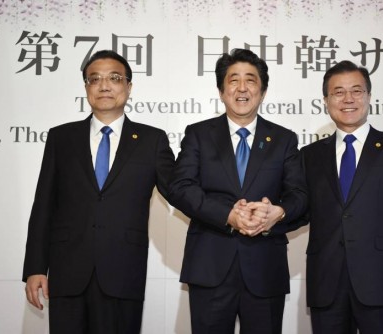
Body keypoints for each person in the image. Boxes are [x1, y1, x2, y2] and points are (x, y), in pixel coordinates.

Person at [22, 50, 175, 334]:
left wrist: (227, 211)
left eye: (115, 78)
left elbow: (180, 192)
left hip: (122, 271)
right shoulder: (61, 138)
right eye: (95, 79)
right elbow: (43, 205)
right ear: (86, 88)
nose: (104, 86)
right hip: (67, 272)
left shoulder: (152, 140)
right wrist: (34, 268)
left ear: (128, 86)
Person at [168, 48, 308, 334]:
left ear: (263, 91)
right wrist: (227, 215)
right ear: (221, 90)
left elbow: (300, 196)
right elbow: (180, 187)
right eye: (233, 80)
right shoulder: (198, 134)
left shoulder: (283, 140)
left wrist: (277, 213)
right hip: (210, 266)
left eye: (251, 80)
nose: (242, 88)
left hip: (265, 268)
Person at [301, 60, 383, 334]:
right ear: (325, 100)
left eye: (356, 91)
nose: (348, 99)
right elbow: (299, 209)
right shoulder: (309, 156)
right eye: (338, 92)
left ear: (369, 96)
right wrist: (270, 213)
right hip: (327, 286)